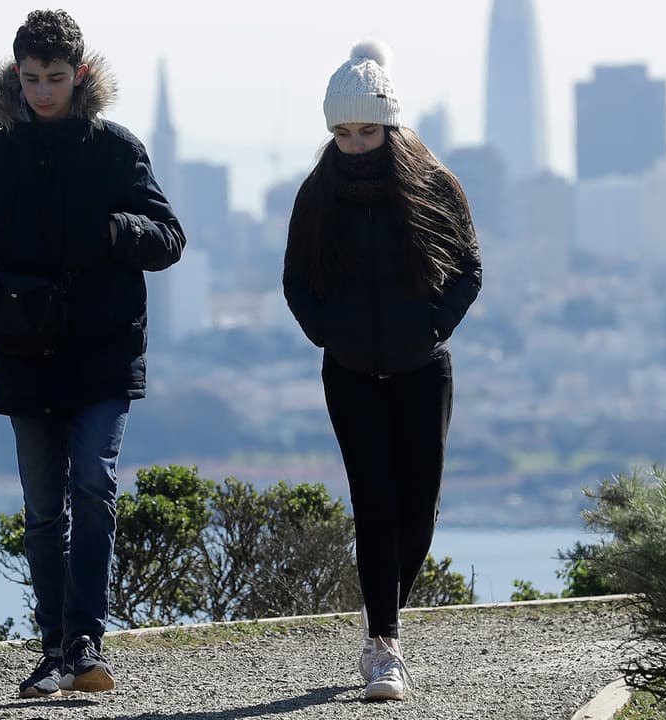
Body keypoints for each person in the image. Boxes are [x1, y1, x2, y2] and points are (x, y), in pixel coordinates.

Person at [0, 9, 185, 699]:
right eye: (31, 79)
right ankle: (54, 647)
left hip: (103, 354)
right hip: (25, 353)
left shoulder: (116, 149)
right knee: (44, 509)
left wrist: (116, 230)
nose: (43, 92)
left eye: (55, 78)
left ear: (79, 75)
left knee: (93, 484)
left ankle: (85, 642)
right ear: (16, 74)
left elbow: (169, 238)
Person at [283, 41, 482, 702]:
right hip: (349, 375)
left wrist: (433, 326)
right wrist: (331, 335)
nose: (355, 144)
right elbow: (295, 282)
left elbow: (469, 269)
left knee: (418, 509)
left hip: (423, 369)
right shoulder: (317, 194)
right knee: (373, 504)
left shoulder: (434, 185)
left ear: (390, 125)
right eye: (343, 133)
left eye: (367, 130)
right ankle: (384, 645)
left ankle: (381, 618)